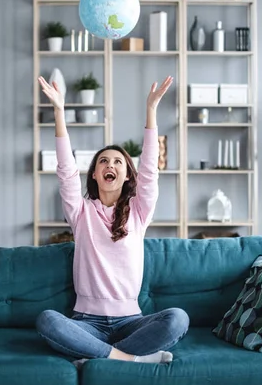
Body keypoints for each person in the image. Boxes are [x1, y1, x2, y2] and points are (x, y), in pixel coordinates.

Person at [36, 74, 189, 366]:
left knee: (177, 319)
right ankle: (127, 359)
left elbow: (150, 172)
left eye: (118, 162)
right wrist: (58, 110)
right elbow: (66, 172)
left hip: (130, 323)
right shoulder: (80, 213)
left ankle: (94, 354)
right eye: (103, 161)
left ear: (128, 174)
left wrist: (151, 111)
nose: (110, 165)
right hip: (86, 322)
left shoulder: (139, 210)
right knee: (48, 321)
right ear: (94, 174)